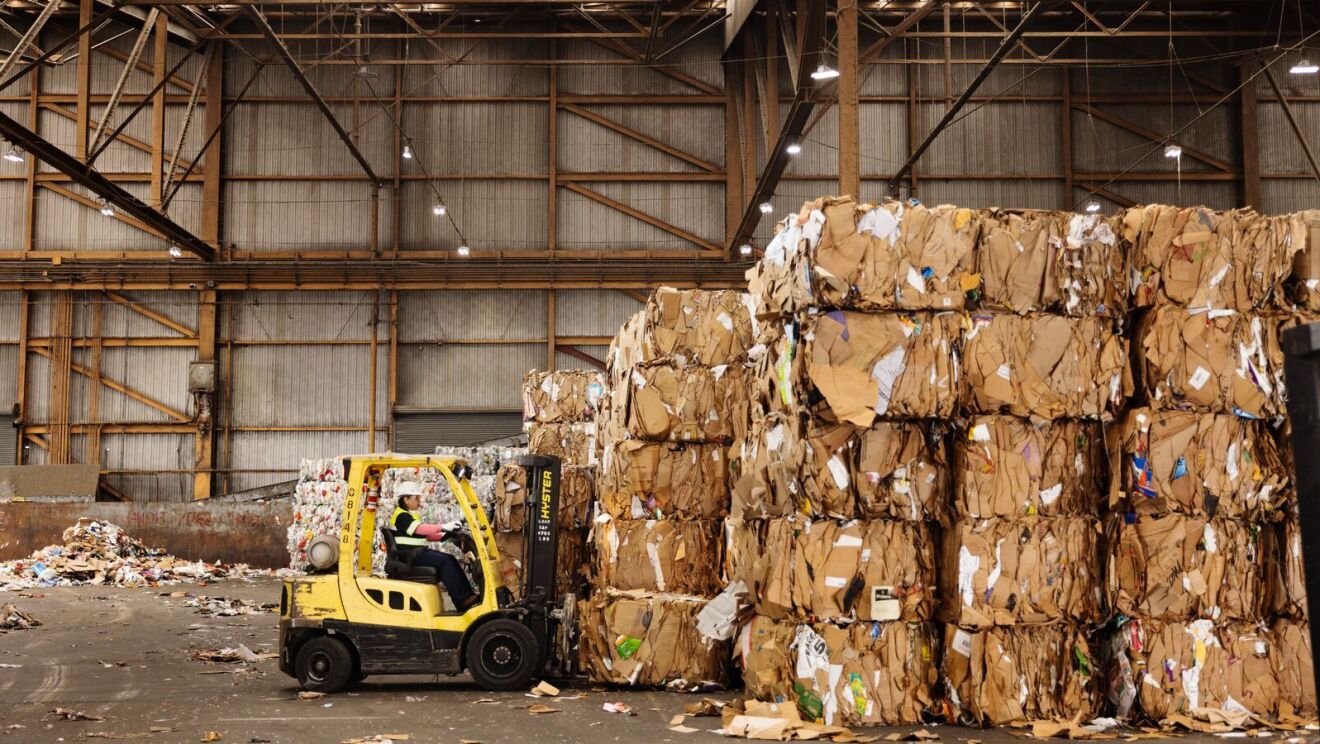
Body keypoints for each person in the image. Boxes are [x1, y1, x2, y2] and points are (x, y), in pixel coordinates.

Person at [389, 481, 479, 610]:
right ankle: (462, 600)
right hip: (411, 555)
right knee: (445, 561)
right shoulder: (401, 516)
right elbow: (420, 529)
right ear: (406, 499)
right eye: (416, 498)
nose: (419, 501)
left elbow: (424, 535)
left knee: (450, 559)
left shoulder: (408, 515)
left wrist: (447, 535)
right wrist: (443, 526)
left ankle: (467, 596)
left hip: (416, 553)